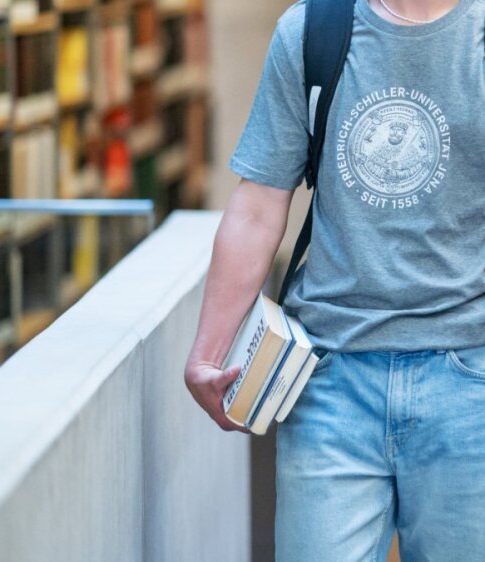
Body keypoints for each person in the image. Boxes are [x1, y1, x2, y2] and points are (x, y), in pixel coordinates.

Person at [184, 0, 485, 559]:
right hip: (330, 380)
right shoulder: (314, 31)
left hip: (470, 384)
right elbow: (258, 206)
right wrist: (208, 351)